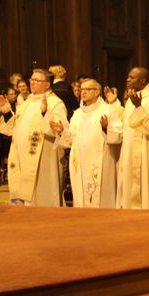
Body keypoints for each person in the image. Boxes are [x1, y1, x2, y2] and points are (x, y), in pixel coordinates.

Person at [0, 69, 67, 206]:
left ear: (47, 84)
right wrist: (7, 113)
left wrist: (45, 113)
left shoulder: (55, 103)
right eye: (31, 80)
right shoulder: (27, 103)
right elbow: (17, 129)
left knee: (41, 198)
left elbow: (61, 131)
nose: (32, 83)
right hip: (22, 158)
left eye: (37, 80)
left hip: (43, 160)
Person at [51, 78, 120, 208]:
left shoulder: (108, 110)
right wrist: (62, 132)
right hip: (80, 164)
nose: (83, 92)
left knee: (100, 199)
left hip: (101, 162)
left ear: (97, 92)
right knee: (81, 198)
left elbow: (118, 136)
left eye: (88, 89)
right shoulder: (77, 114)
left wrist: (107, 128)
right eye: (82, 89)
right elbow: (71, 140)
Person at [116, 67, 149, 210]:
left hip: (145, 152)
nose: (128, 80)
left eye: (132, 77)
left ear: (143, 80)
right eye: (128, 77)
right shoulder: (132, 98)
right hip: (129, 152)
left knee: (143, 194)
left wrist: (139, 106)